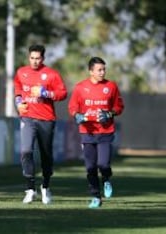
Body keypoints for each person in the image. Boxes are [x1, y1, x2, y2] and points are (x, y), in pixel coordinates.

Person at [14, 44, 68, 204]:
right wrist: (18, 101)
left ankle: (46, 186)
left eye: (38, 58)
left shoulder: (51, 74)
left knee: (46, 155)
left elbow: (63, 93)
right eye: (32, 58)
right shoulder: (21, 72)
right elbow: (18, 88)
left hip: (46, 119)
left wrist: (46, 93)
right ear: (29, 57)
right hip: (28, 118)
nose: (35, 61)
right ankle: (30, 189)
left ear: (43, 59)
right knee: (25, 151)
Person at [68, 56, 124, 208]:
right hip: (87, 132)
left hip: (105, 132)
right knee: (90, 167)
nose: (102, 72)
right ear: (90, 71)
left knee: (103, 164)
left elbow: (119, 107)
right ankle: (95, 197)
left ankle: (106, 179)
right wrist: (77, 115)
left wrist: (110, 114)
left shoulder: (111, 86)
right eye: (99, 70)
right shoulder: (80, 87)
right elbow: (72, 107)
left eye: (104, 69)